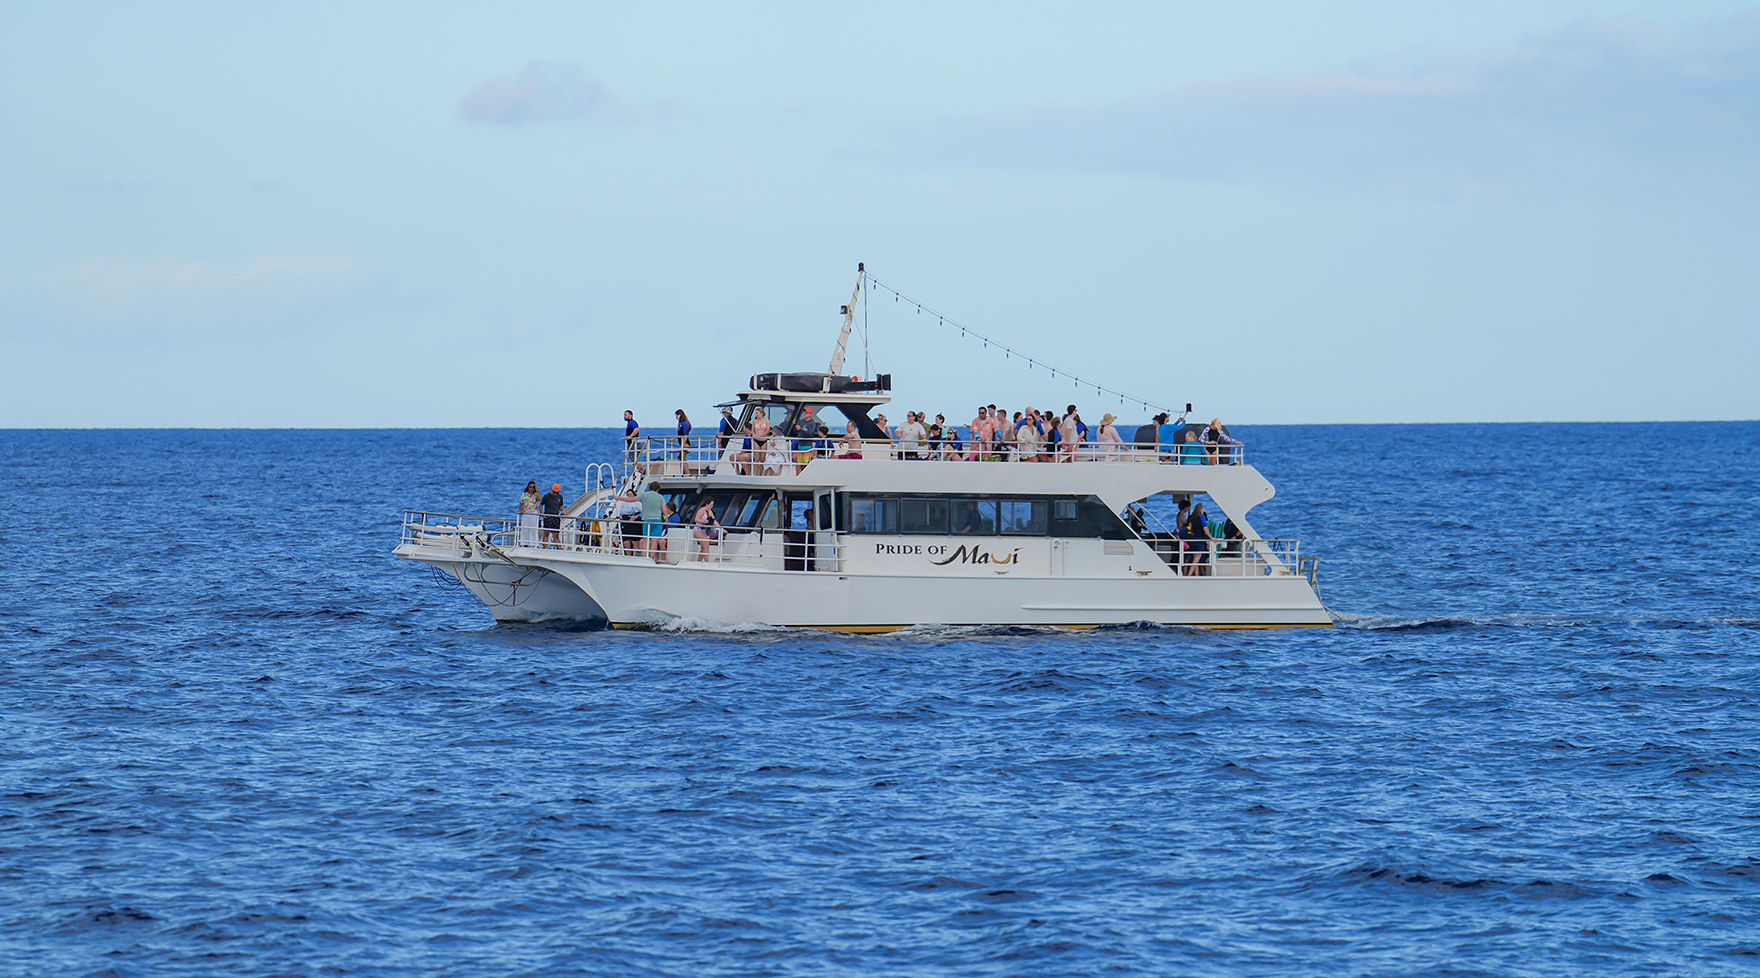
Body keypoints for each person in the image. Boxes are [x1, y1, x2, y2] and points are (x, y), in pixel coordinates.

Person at [638, 482, 665, 559]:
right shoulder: (660, 497)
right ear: (658, 489)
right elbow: (664, 509)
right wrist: (666, 517)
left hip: (647, 519)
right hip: (657, 520)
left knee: (646, 539)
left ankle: (644, 556)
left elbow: (633, 499)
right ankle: (651, 557)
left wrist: (618, 498)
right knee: (654, 540)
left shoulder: (644, 495)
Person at [615, 485, 644, 555]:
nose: (629, 496)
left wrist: (636, 517)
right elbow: (621, 511)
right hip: (626, 521)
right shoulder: (624, 503)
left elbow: (643, 512)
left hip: (635, 521)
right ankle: (628, 555)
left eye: (630, 494)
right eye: (628, 495)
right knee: (626, 542)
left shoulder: (638, 503)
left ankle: (635, 556)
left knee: (635, 541)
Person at [692, 497, 723, 561]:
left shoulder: (710, 512)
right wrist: (704, 521)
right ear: (707, 504)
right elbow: (696, 519)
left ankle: (699, 561)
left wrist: (720, 528)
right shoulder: (702, 510)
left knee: (703, 547)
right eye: (711, 504)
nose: (712, 506)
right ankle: (707, 561)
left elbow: (714, 521)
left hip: (705, 531)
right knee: (706, 544)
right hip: (698, 529)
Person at [540, 482, 564, 547]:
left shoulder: (560, 497)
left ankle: (559, 549)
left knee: (556, 535)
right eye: (554, 492)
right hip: (548, 516)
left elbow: (561, 505)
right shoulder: (546, 496)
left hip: (556, 517)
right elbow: (541, 505)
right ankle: (545, 548)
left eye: (557, 493)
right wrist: (542, 513)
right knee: (546, 533)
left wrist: (562, 511)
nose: (555, 494)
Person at [517, 481, 541, 547]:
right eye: (530, 487)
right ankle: (524, 543)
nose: (531, 488)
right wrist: (521, 510)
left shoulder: (536, 495)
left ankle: (534, 543)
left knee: (533, 528)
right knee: (525, 528)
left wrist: (537, 490)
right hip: (526, 513)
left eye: (533, 487)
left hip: (533, 513)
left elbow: (539, 499)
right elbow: (520, 504)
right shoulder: (524, 495)